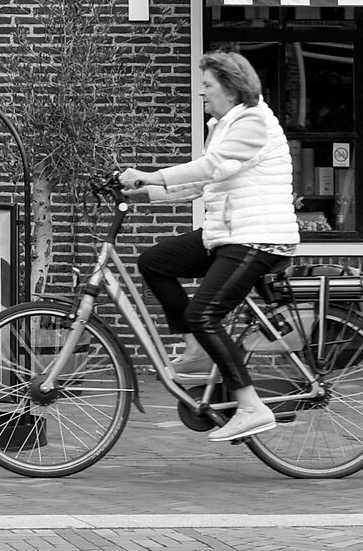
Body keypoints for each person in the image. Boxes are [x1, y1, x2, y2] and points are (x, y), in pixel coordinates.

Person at [118, 49, 301, 447]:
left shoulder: (253, 122)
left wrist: (150, 173)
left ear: (231, 88)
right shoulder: (224, 125)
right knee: (155, 262)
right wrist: (140, 194)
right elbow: (204, 182)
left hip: (258, 237)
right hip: (225, 234)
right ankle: (197, 349)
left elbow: (206, 167)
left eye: (207, 85)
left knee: (204, 312)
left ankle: (251, 406)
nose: (201, 92)